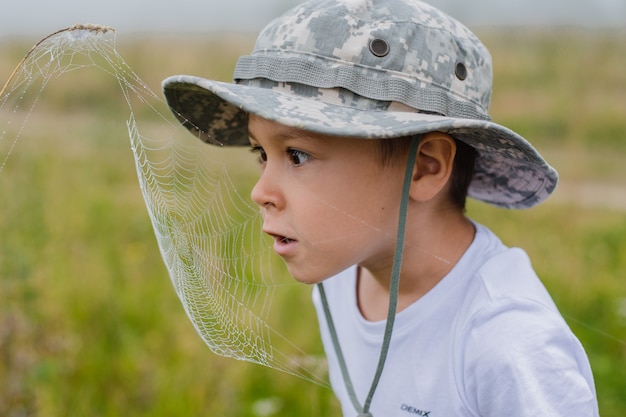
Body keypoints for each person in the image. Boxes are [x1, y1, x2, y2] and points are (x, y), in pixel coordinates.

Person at [161, 0, 599, 415]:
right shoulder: (341, 281)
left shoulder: (508, 343)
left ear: (424, 168)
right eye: (260, 153)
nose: (261, 192)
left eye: (297, 155)